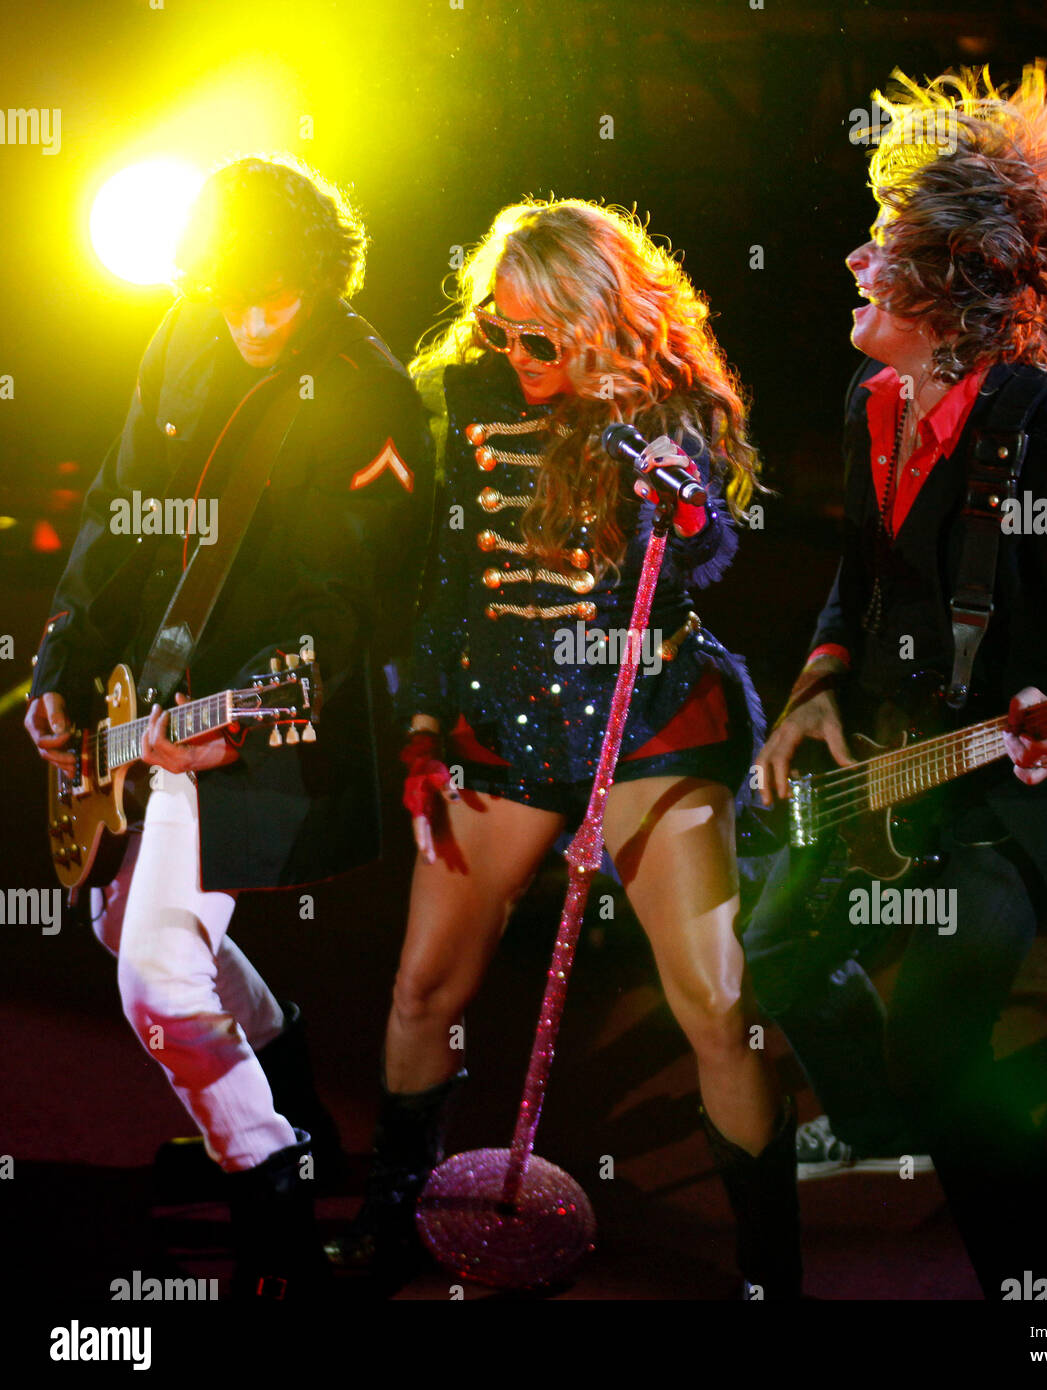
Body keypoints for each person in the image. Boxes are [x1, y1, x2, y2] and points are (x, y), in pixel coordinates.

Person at [327, 197, 801, 1299]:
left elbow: (708, 550)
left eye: (544, 337)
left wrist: (672, 507)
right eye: (501, 329)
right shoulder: (470, 395)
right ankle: (400, 1211)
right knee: (420, 991)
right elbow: (449, 582)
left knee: (717, 1008)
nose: (517, 354)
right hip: (509, 718)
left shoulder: (674, 405)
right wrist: (424, 715)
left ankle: (772, 1266)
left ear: (601, 322)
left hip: (650, 724)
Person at [743, 65, 1047, 1297]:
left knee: (937, 1049)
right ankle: (879, 1131)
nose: (854, 269)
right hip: (893, 752)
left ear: (950, 284)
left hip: (1013, 791)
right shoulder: (875, 400)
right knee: (768, 953)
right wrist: (819, 683)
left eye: (881, 251)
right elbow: (857, 585)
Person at [24, 155, 434, 1298]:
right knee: (121, 926)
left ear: (323, 277)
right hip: (145, 701)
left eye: (280, 298)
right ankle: (293, 1096)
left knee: (156, 977)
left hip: (262, 717)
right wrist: (64, 658)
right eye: (233, 295)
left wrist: (235, 710)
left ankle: (275, 1194)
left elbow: (346, 605)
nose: (255, 320)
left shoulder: (366, 392)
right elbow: (118, 502)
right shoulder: (185, 332)